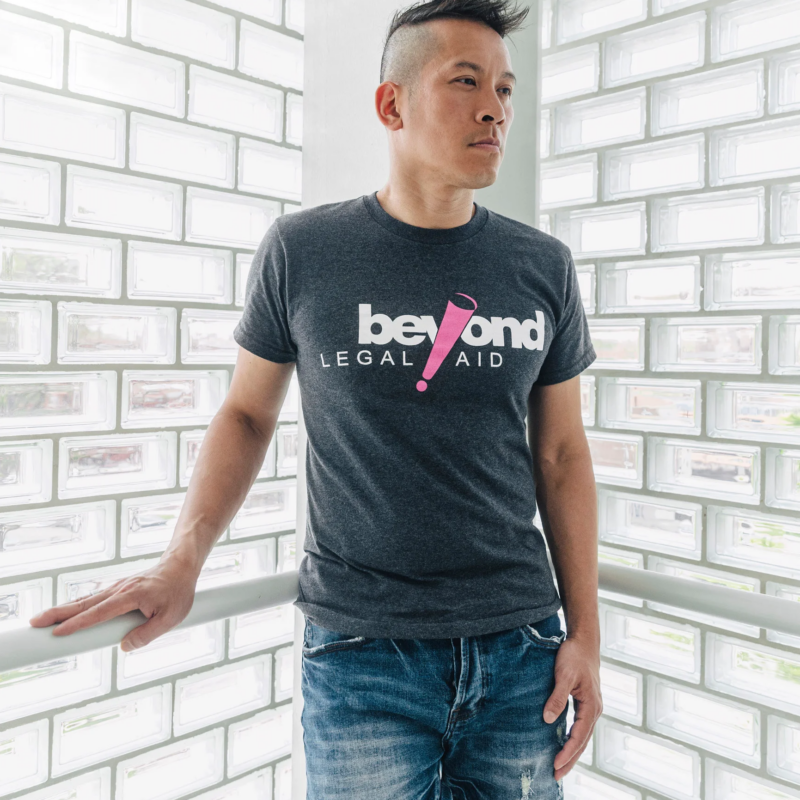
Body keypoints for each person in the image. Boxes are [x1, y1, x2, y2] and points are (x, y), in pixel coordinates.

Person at [30, 0, 603, 796]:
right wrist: (181, 561)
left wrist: (587, 636)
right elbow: (246, 413)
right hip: (362, 654)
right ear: (390, 104)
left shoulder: (542, 265)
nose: (494, 109)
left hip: (520, 647)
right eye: (466, 81)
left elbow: (563, 454)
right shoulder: (305, 251)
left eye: (505, 89)